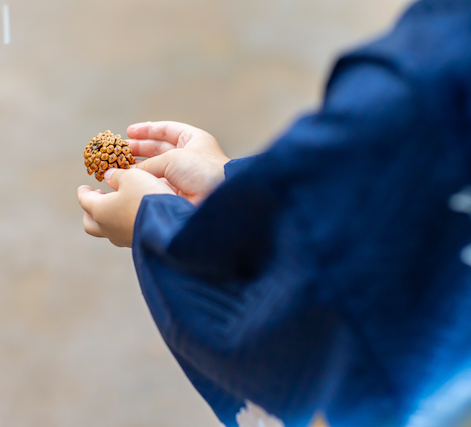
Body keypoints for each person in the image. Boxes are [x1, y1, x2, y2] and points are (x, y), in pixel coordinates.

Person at [77, 0, 471, 426]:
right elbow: (372, 199)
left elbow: (272, 317)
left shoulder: (420, 86)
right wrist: (232, 181)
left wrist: (152, 223)